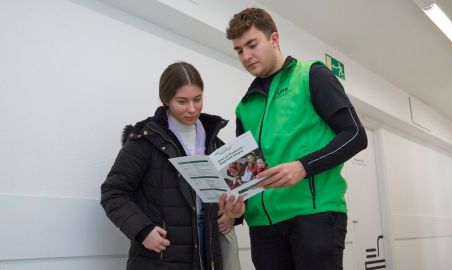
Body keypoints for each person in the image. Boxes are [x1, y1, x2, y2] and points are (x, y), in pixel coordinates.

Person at [219, 8, 368, 270]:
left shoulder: (311, 75)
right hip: (263, 226)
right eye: (239, 50)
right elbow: (246, 177)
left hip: (313, 216)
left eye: (252, 45)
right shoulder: (244, 107)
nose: (246, 56)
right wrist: (237, 212)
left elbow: (355, 135)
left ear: (274, 39)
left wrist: (302, 166)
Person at [100, 62, 239, 270]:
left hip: (208, 254)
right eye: (182, 101)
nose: (192, 109)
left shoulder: (215, 143)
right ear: (166, 100)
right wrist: (143, 231)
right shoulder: (145, 140)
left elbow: (232, 193)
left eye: (198, 99)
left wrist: (232, 216)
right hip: (160, 258)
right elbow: (113, 192)